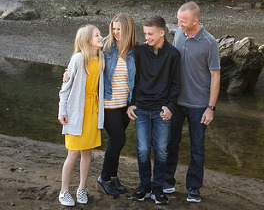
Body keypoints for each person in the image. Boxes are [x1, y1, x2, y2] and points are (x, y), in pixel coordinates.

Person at [164, 1, 220, 203]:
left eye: (183, 21)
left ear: (195, 21)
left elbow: (215, 76)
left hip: (198, 105)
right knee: (171, 143)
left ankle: (193, 188)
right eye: (178, 19)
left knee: (197, 148)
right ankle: (167, 181)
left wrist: (210, 108)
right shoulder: (179, 33)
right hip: (176, 102)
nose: (179, 23)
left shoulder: (209, 42)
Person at [127, 15, 180, 205]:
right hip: (141, 108)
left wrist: (171, 107)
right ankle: (144, 186)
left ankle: (157, 188)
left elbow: (175, 85)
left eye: (150, 34)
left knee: (161, 151)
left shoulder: (173, 54)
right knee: (142, 150)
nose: (146, 37)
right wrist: (131, 103)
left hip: (161, 111)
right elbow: (133, 79)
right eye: (145, 34)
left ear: (162, 33)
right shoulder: (139, 51)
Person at [57, 24, 105, 207]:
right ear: (86, 41)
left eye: (100, 34)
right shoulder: (78, 59)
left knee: (87, 152)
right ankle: (64, 191)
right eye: (96, 35)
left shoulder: (101, 58)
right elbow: (65, 89)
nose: (100, 37)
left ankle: (82, 188)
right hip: (76, 111)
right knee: (73, 152)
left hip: (92, 112)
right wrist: (62, 111)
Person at [96, 13, 137, 197]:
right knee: (117, 139)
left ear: (128, 29)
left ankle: (113, 177)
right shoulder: (105, 46)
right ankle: (103, 178)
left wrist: (134, 103)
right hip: (107, 103)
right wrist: (69, 73)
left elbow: (139, 79)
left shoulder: (135, 50)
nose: (115, 32)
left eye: (119, 29)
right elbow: (82, 56)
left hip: (124, 105)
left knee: (118, 141)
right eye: (113, 28)